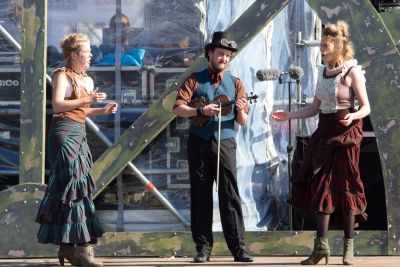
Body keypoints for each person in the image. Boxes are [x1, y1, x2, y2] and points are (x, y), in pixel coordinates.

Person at [272, 21, 370, 265]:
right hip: (324, 132)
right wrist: (289, 115)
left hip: (346, 133)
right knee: (322, 189)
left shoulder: (351, 71)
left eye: (326, 45)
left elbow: (366, 107)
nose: (322, 49)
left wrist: (353, 116)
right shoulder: (322, 72)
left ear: (337, 46)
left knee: (346, 189)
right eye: (322, 45)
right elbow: (315, 109)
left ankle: (348, 247)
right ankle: (321, 247)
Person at [35, 33, 118, 267]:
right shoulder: (62, 75)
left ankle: (70, 247)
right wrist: (87, 99)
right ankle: (79, 249)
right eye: (87, 51)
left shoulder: (87, 80)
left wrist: (101, 111)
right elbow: (59, 105)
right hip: (63, 132)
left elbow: (81, 111)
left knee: (78, 187)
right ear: (73, 55)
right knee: (71, 183)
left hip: (79, 131)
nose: (91, 54)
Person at [173, 31, 253, 263]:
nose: (224, 59)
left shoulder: (236, 83)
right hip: (199, 142)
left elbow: (243, 121)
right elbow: (178, 108)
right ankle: (203, 247)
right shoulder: (194, 79)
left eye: (227, 56)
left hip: (225, 143)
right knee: (201, 196)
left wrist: (240, 109)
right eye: (220, 54)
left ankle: (239, 248)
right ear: (210, 53)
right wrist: (200, 111)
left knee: (230, 195)